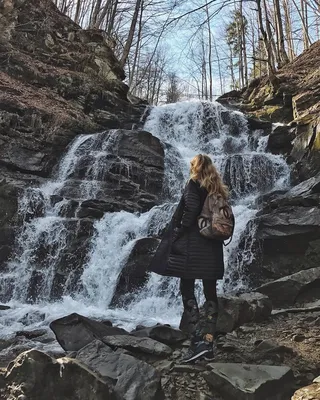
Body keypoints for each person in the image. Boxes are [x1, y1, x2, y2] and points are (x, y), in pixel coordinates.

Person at [149, 154, 228, 363]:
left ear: (195, 167)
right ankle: (209, 343)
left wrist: (179, 231)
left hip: (192, 247)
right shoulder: (217, 189)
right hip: (212, 249)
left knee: (187, 290)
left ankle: (196, 342)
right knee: (211, 294)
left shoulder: (193, 184)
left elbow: (191, 209)